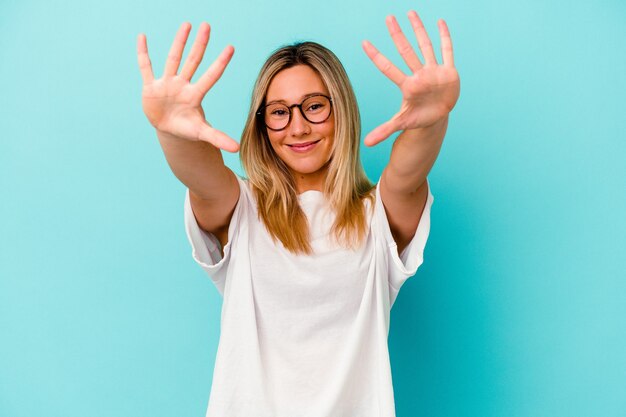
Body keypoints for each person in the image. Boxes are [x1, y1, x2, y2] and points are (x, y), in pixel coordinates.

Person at [137, 10, 459, 417]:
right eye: (279, 112)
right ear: (263, 126)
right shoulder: (242, 210)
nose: (298, 127)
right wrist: (170, 129)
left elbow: (407, 174)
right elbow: (202, 176)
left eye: (314, 106)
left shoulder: (377, 217)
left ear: (340, 110)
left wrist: (431, 120)